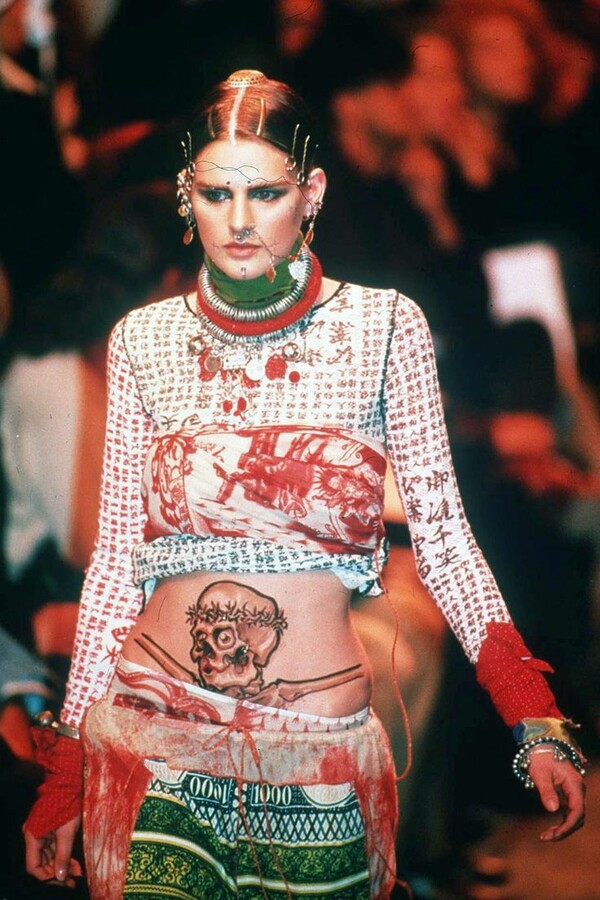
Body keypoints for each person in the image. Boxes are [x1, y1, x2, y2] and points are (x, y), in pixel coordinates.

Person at [23, 70, 585, 899]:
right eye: (215, 193)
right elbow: (114, 565)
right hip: (152, 737)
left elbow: (446, 544)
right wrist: (68, 762)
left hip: (313, 760)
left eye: (266, 192)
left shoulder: (384, 327)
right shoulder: (142, 339)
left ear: (311, 192)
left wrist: (530, 711)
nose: (239, 220)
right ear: (185, 195)